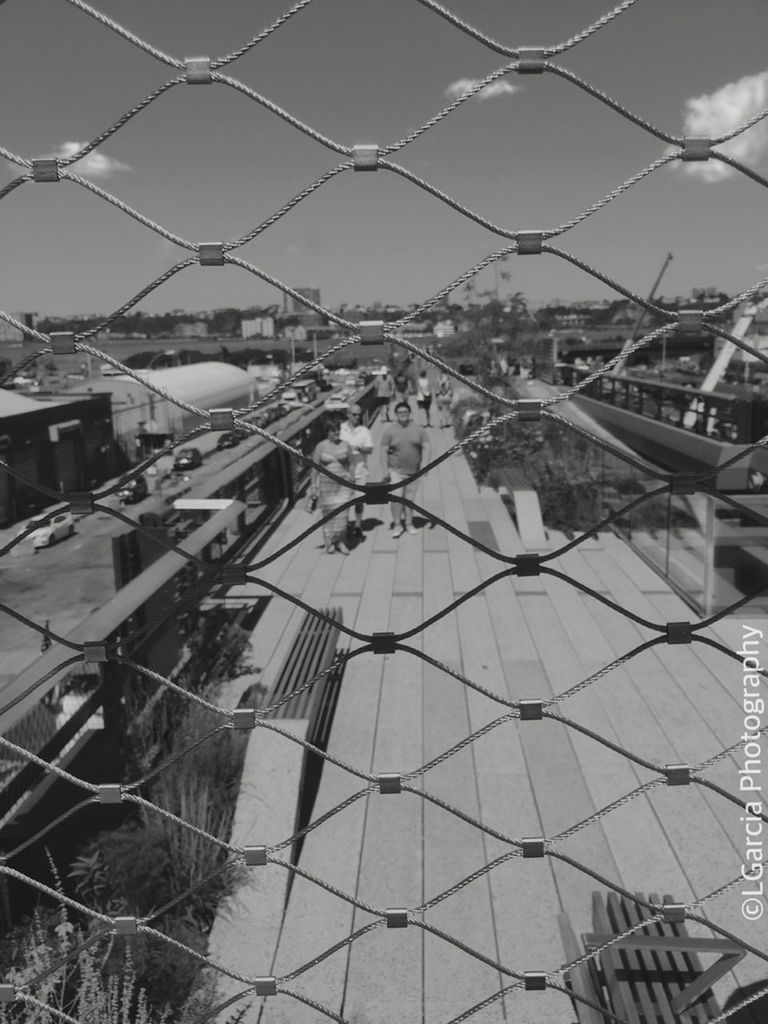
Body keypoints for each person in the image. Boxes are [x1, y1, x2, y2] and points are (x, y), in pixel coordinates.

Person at [380, 401, 431, 538]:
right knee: (396, 499)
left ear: (409, 413)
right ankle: (397, 524)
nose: (403, 415)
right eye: (400, 413)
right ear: (396, 414)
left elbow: (426, 446)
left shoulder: (418, 429)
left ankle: (408, 523)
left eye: (405, 412)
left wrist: (425, 465)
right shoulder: (390, 431)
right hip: (396, 471)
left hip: (414, 472)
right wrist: (385, 470)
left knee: (409, 500)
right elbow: (383, 450)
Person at [310, 418, 352, 554]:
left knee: (343, 515)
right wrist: (313, 487)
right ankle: (329, 542)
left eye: (338, 430)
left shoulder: (346, 445)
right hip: (326, 486)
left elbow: (352, 465)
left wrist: (352, 481)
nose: (337, 433)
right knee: (328, 515)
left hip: (342, 486)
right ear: (327, 432)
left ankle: (341, 541)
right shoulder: (320, 446)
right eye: (333, 431)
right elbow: (314, 469)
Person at [340, 404, 374, 537]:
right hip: (343, 472)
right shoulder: (340, 429)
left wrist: (358, 448)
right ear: (348, 414)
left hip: (360, 471)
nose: (357, 417)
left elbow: (370, 449)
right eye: (354, 414)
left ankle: (358, 525)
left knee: (359, 500)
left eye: (359, 414)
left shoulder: (364, 430)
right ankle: (345, 524)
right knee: (344, 501)